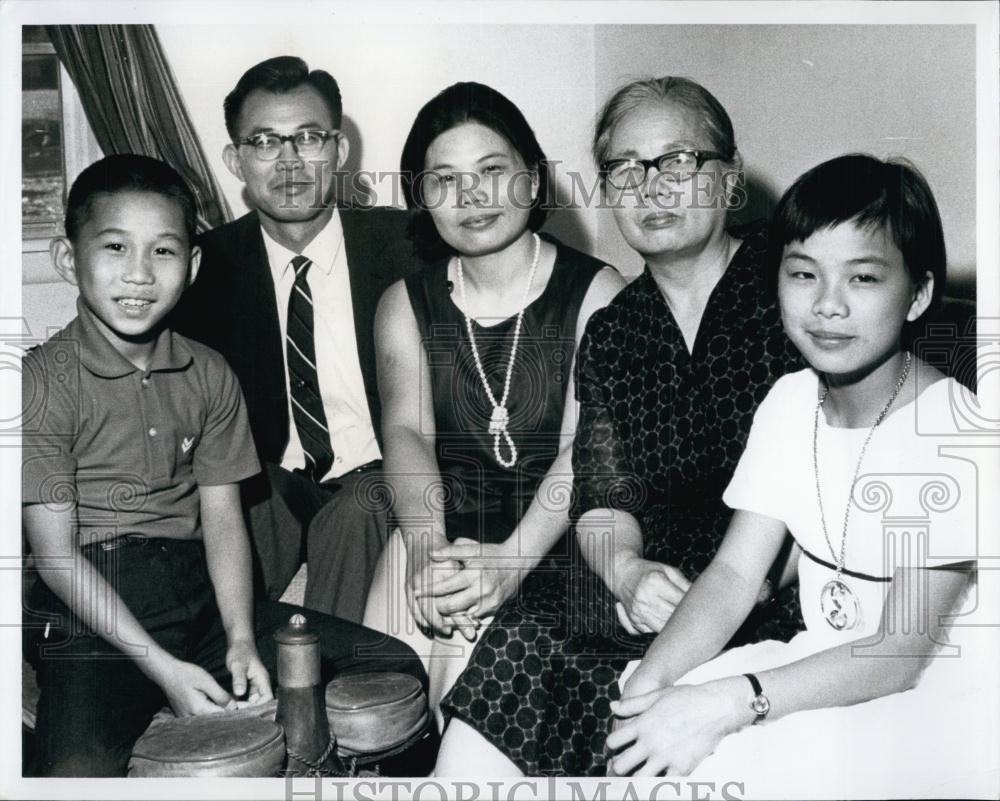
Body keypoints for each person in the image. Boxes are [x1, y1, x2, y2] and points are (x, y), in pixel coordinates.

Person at [431, 76, 806, 776]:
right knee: (526, 632)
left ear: (729, 180)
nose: (650, 188)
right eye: (625, 169)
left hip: (767, 585)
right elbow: (602, 495)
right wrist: (628, 572)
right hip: (644, 588)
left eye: (675, 161)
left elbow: (832, 489)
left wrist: (739, 589)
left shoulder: (792, 289)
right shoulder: (612, 331)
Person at [21, 154, 426, 777]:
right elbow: (53, 556)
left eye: (163, 251)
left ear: (193, 265)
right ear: (68, 258)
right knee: (74, 767)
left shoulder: (209, 373)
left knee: (391, 665)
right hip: (91, 609)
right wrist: (162, 669)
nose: (138, 274)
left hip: (200, 597)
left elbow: (224, 521)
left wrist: (239, 638)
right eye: (114, 247)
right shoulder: (41, 381)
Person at [604, 154, 995, 797]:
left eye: (863, 278)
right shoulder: (789, 400)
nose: (828, 305)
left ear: (918, 293)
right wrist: (650, 685)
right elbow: (733, 576)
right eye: (803, 274)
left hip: (933, 693)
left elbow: (898, 653)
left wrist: (733, 701)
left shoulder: (952, 430)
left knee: (743, 752)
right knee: (654, 727)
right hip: (821, 662)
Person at [362, 82, 625, 725]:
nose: (471, 196)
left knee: (459, 670)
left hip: (557, 532)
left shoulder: (598, 292)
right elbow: (407, 434)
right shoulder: (404, 302)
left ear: (533, 182)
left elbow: (581, 447)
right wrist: (426, 548)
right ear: (422, 200)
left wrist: (508, 563)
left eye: (492, 171)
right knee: (376, 693)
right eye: (443, 179)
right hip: (445, 519)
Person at [171, 56, 427, 622]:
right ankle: (231, 662)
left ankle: (326, 682)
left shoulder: (407, 247)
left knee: (360, 508)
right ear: (235, 160)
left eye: (307, 138)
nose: (288, 162)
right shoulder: (204, 269)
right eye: (264, 141)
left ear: (339, 151)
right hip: (272, 481)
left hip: (376, 476)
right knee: (244, 498)